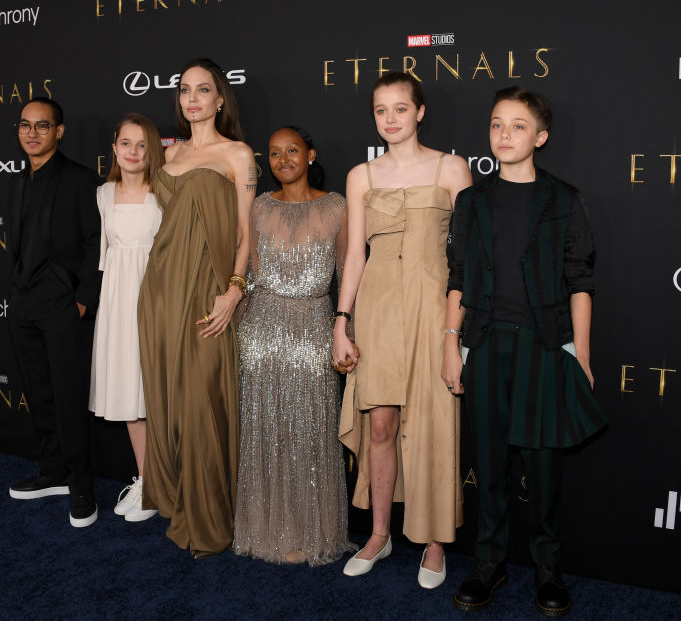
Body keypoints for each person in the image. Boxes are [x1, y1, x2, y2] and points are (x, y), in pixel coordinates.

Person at [444, 87, 606, 616]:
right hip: (486, 343)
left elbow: (580, 282)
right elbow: (458, 277)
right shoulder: (471, 202)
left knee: (543, 467)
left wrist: (581, 354)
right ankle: (488, 563)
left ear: (541, 137)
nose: (504, 134)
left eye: (517, 126)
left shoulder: (564, 199)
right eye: (496, 124)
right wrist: (450, 343)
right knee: (488, 464)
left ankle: (548, 569)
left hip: (543, 346)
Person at [333, 72, 473, 589]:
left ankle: (434, 542)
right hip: (377, 309)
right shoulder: (361, 176)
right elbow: (354, 255)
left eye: (400, 108)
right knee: (380, 427)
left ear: (420, 112)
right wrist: (341, 321)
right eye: (380, 110)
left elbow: (468, 258)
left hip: (434, 310)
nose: (390, 119)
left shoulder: (452, 168)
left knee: (433, 427)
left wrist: (455, 332)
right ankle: (379, 534)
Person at [137, 58, 256, 558]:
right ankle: (177, 497)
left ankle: (210, 517)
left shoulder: (237, 154)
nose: (192, 99)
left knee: (203, 400)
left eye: (203, 90)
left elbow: (246, 232)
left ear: (220, 98)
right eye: (185, 90)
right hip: (162, 288)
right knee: (169, 398)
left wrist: (234, 290)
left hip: (209, 289)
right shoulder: (170, 153)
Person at [232, 126, 355, 566]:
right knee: (264, 433)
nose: (283, 159)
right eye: (274, 153)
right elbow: (250, 273)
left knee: (311, 433)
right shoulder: (260, 206)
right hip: (261, 332)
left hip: (314, 329)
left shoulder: (337, 206)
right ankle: (264, 529)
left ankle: (310, 531)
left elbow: (347, 273)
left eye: (292, 150)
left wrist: (348, 331)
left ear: (310, 154)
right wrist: (236, 323)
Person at [6, 97, 103, 528]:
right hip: (24, 305)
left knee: (67, 400)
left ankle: (82, 487)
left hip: (63, 307)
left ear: (59, 132)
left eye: (42, 126)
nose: (32, 133)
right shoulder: (17, 181)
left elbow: (96, 242)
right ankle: (53, 471)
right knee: (39, 394)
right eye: (25, 125)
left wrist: (82, 300)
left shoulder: (80, 180)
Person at [89, 113, 164, 523]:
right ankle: (147, 483)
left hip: (157, 300)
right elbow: (105, 258)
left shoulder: (164, 193)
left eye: (142, 144)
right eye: (125, 143)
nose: (133, 152)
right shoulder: (103, 194)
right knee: (130, 397)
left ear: (153, 151)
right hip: (118, 304)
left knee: (156, 395)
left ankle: (167, 484)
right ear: (114, 149)